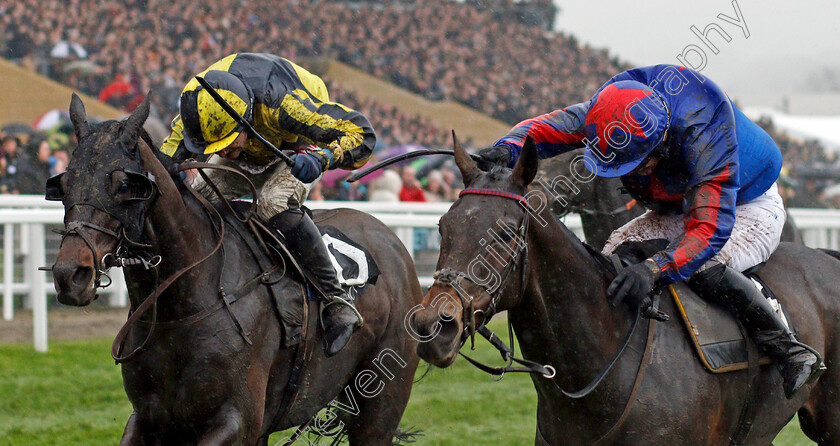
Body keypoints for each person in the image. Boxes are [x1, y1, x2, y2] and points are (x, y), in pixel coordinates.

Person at [480, 64, 824, 399]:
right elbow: (547, 130)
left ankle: (790, 350)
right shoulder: (615, 110)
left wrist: (655, 268)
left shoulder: (702, 131)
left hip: (746, 203)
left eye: (639, 162)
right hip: (678, 204)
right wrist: (506, 148)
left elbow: (708, 231)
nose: (635, 173)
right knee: (613, 252)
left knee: (702, 264)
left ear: (662, 140)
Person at [161, 53, 376, 357]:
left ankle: (338, 300)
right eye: (215, 148)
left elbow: (362, 134)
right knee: (197, 197)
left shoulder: (286, 106)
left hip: (295, 144)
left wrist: (321, 158)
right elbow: (166, 162)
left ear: (245, 119)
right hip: (256, 138)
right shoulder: (197, 110)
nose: (224, 152)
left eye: (226, 143)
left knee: (273, 203)